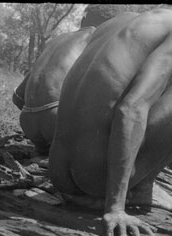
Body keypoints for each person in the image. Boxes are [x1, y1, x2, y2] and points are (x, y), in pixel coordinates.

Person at [49, 5, 172, 236]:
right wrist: (115, 209)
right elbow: (131, 109)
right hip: (93, 181)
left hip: (59, 175)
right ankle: (140, 187)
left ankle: (141, 183)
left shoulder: (118, 22)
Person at [12, 17, 107, 154]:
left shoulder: (57, 40)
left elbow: (17, 97)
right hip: (56, 120)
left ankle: (44, 148)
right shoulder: (95, 38)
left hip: (27, 120)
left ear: (83, 19)